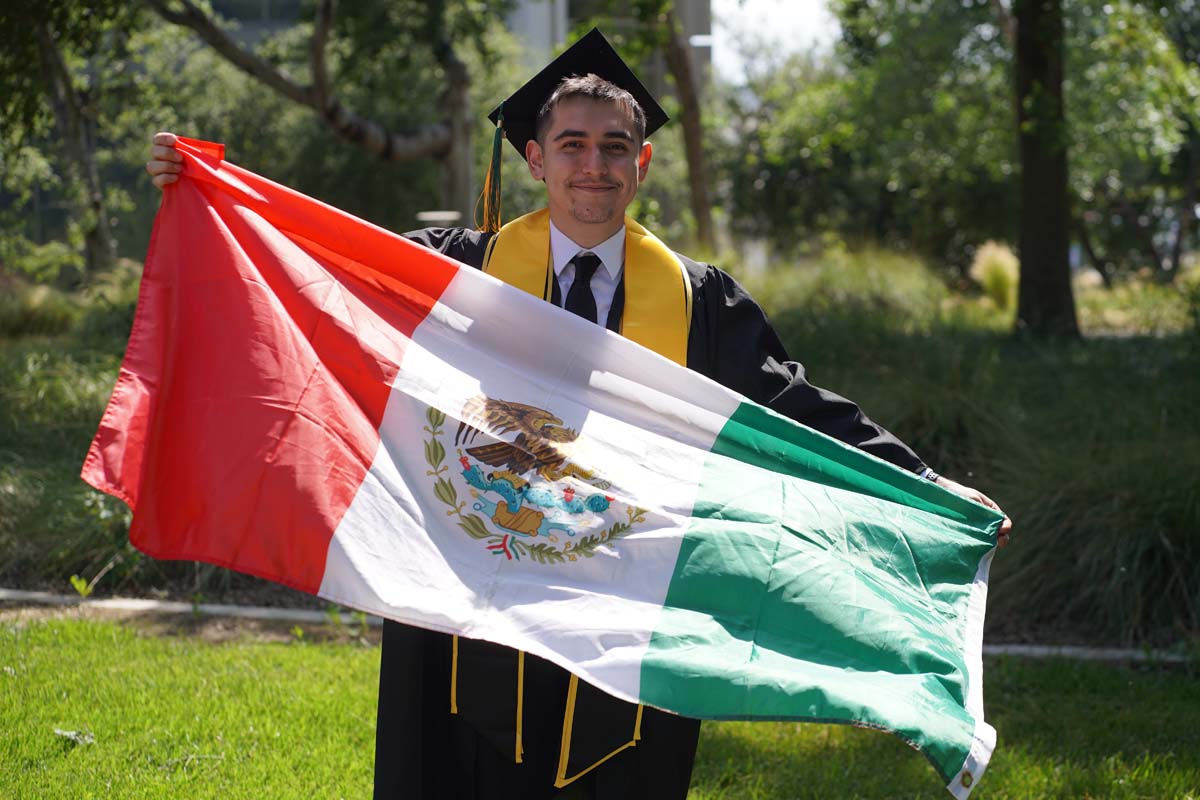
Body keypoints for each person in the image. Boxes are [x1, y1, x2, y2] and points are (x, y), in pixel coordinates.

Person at [147, 27, 1011, 800]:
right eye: (571, 145)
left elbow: (794, 411)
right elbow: (318, 271)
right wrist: (209, 189)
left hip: (626, 603)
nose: (592, 165)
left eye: (613, 147)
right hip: (471, 605)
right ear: (534, 158)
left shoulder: (699, 304)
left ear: (642, 163)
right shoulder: (458, 274)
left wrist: (926, 484)